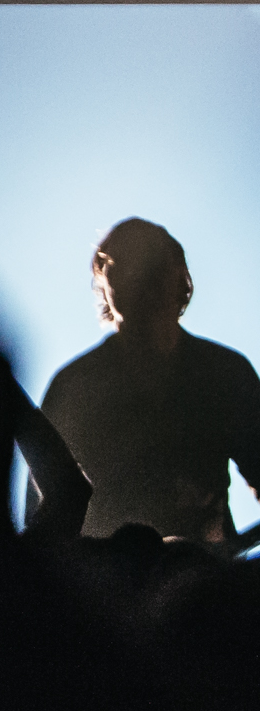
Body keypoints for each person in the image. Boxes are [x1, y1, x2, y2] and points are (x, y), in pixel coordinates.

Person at [42, 218, 260, 544]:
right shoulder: (74, 388)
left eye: (150, 264)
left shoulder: (225, 372)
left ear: (180, 279)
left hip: (208, 570)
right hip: (108, 573)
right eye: (121, 264)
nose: (138, 277)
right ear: (104, 281)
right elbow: (46, 517)